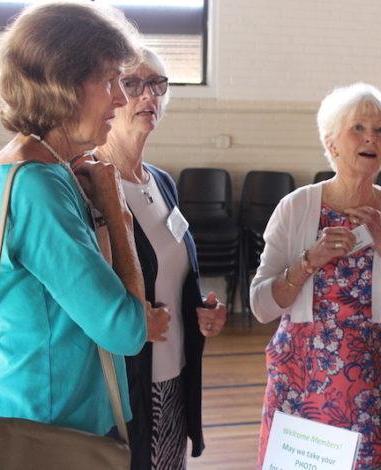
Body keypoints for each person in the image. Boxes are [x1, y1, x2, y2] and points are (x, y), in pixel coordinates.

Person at [0, 0, 171, 449]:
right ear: (63, 84)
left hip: (42, 416)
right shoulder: (37, 186)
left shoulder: (34, 168)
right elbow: (126, 331)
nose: (121, 97)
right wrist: (117, 211)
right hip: (40, 430)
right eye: (110, 80)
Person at [250, 82, 381, 470]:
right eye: (359, 128)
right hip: (301, 378)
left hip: (375, 384)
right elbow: (261, 305)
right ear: (331, 143)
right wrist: (307, 261)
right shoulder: (295, 207)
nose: (371, 138)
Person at [94, 47, 227, 470]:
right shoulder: (90, 183)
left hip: (174, 371)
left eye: (157, 85)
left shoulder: (162, 182)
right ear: (109, 95)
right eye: (132, 84)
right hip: (124, 384)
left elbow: (176, 271)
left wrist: (202, 312)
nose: (148, 96)